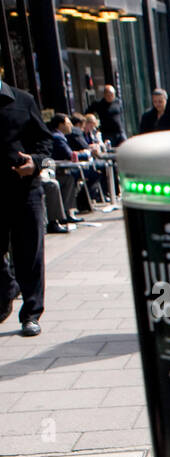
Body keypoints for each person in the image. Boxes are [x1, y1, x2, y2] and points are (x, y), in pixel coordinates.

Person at [1, 67, 54, 336]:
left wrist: (35, 163)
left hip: (25, 191)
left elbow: (47, 143)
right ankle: (7, 290)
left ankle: (31, 315)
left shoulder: (23, 101)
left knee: (29, 254)